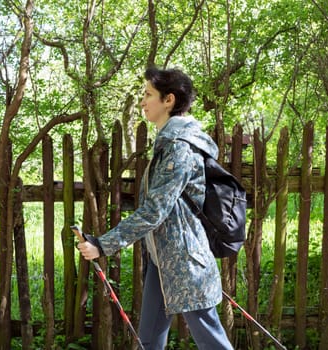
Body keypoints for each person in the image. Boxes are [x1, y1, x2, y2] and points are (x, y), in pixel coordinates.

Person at [78, 67, 233, 350]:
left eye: (148, 94)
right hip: (162, 262)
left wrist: (103, 245)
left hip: (186, 265)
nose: (142, 101)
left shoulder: (179, 148)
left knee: (213, 343)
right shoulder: (166, 144)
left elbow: (154, 211)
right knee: (149, 341)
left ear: (168, 100)